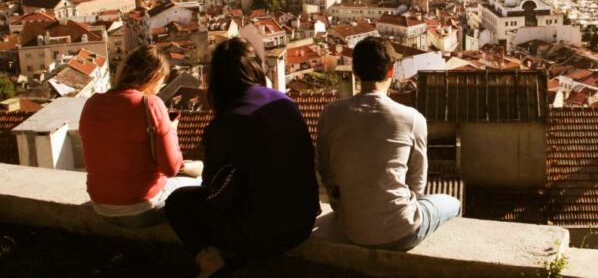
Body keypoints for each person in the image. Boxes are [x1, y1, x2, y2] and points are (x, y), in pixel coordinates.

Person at [166, 38, 320, 277]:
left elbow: (212, 191)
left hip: (262, 233)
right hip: (303, 222)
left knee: (177, 202)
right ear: (255, 69)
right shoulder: (287, 103)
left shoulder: (226, 123)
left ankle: (213, 266)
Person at [318, 37, 460, 250]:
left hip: (351, 229)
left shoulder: (331, 113)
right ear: (391, 71)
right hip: (401, 232)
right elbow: (417, 183)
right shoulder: (412, 118)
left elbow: (326, 170)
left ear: (355, 72)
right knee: (453, 203)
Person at [80, 45, 201, 228]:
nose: (161, 86)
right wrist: (171, 130)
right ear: (154, 77)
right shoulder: (150, 103)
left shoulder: (92, 103)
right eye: (161, 80)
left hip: (101, 207)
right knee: (200, 181)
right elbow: (171, 168)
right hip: (142, 209)